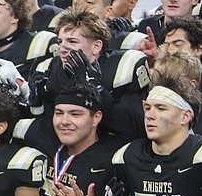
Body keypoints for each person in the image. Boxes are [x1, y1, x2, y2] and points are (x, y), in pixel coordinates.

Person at [28, 9, 150, 141]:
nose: (62, 49)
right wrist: (37, 104)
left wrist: (96, 88)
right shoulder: (48, 68)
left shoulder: (124, 66)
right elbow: (43, 128)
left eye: (72, 42)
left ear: (96, 46)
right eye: (60, 42)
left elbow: (137, 128)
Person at [71, 0, 147, 50]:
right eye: (76, 3)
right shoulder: (61, 42)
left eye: (89, 2)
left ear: (108, 11)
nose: (80, 8)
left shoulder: (131, 41)